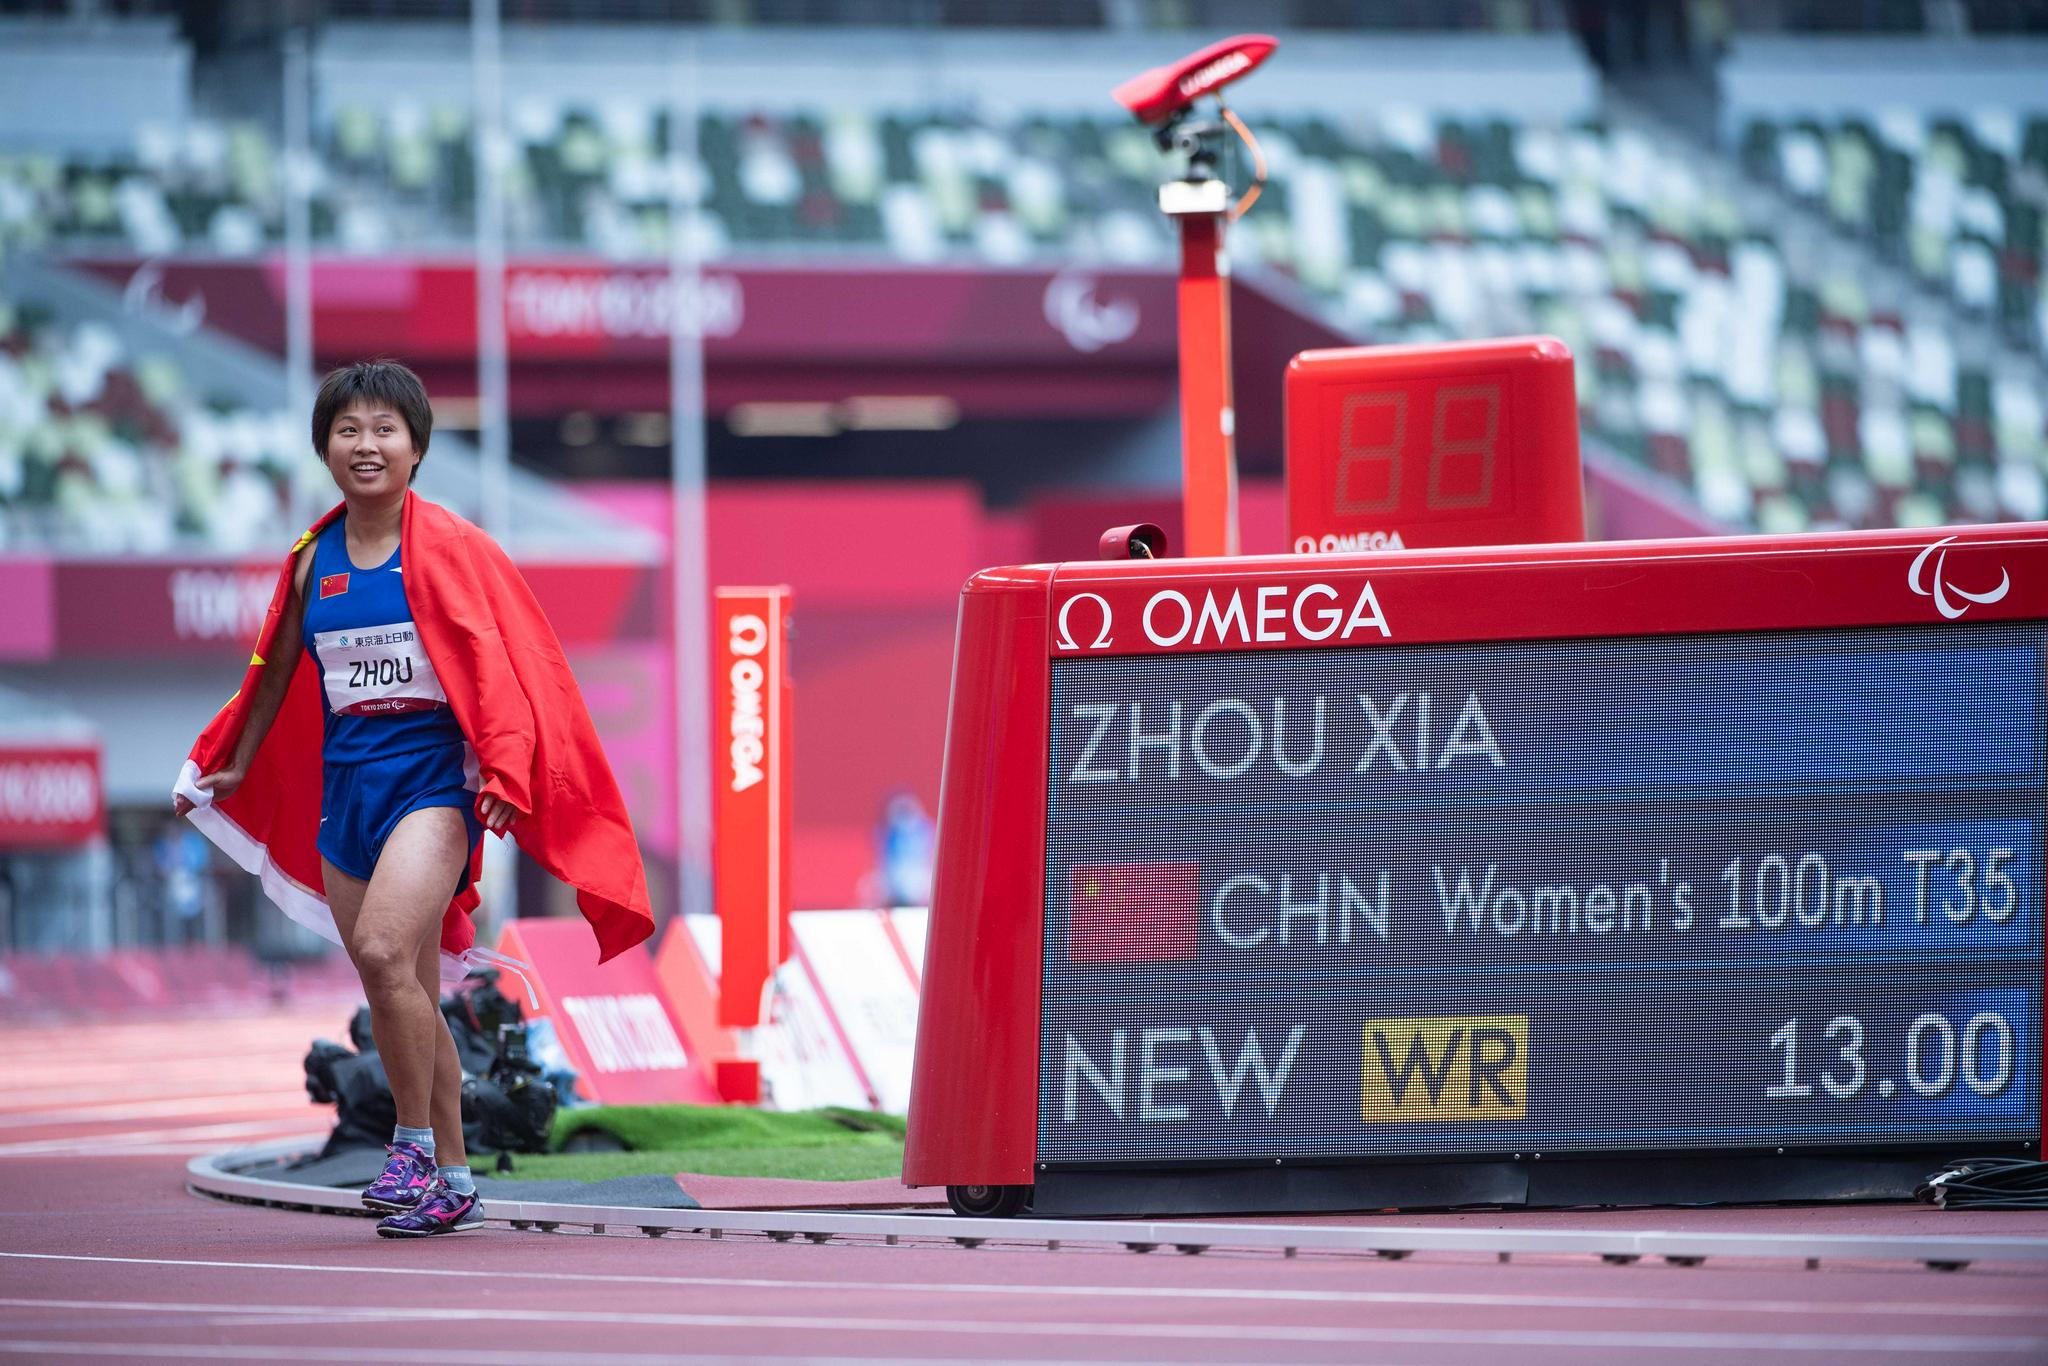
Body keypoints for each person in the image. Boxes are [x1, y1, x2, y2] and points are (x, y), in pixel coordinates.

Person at [174, 360, 654, 1238]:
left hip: (432, 785)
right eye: (347, 429)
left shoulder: (455, 549)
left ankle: (411, 1145)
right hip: (347, 791)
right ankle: (456, 1177)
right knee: (405, 987)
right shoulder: (313, 558)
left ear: (417, 448)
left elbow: (509, 664)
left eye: (384, 429)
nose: (366, 445)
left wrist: (507, 772)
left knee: (386, 949)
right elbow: (274, 666)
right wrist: (232, 759)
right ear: (325, 448)